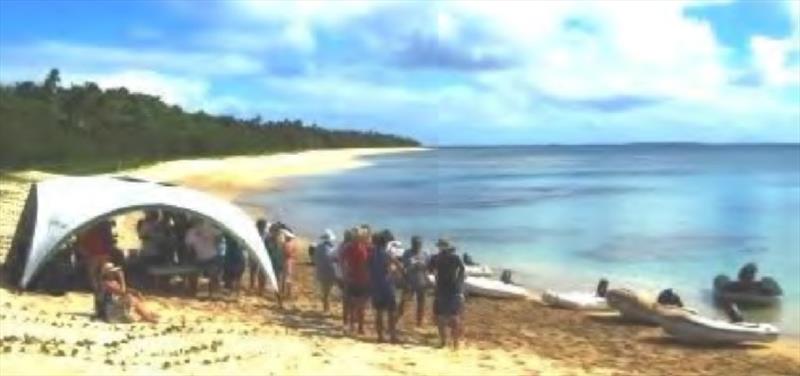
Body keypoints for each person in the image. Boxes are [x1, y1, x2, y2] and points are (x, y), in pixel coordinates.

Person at [430, 238, 466, 350]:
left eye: (442, 246)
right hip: (448, 288)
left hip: (447, 289)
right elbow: (462, 269)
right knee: (449, 316)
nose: (442, 248)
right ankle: (451, 343)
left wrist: (459, 282)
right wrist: (459, 282)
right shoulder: (450, 257)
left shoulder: (438, 258)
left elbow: (430, 270)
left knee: (448, 316)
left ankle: (448, 342)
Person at [369, 230, 401, 343]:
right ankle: (392, 336)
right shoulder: (386, 254)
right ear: (385, 242)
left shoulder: (371, 253)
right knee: (391, 312)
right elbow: (396, 266)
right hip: (387, 286)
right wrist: (397, 272)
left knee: (379, 312)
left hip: (375, 286)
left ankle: (380, 337)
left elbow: (368, 267)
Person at [342, 226, 372, 335]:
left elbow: (342, 260)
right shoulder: (363, 249)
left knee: (352, 305)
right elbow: (366, 264)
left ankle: (352, 326)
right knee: (361, 306)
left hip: (352, 278)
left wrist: (345, 273)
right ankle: (359, 327)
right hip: (362, 279)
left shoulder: (349, 247)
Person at [185, 220, 223, 297]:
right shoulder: (191, 233)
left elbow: (219, 235)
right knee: (193, 275)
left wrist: (207, 234)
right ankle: (193, 291)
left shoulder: (209, 229)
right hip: (199, 258)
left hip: (212, 256)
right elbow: (189, 247)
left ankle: (213, 294)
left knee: (213, 275)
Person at [398, 235, 429, 327]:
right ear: (412, 244)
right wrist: (405, 277)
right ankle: (397, 319)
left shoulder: (425, 254)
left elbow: (427, 268)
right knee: (403, 302)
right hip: (410, 281)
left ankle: (419, 322)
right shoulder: (407, 253)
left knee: (421, 302)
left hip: (421, 281)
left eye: (419, 244)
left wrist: (423, 269)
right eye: (415, 244)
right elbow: (403, 267)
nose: (417, 245)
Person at [77, 220, 114, 292]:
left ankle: (99, 292)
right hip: (102, 252)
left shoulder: (86, 227)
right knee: (101, 275)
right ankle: (103, 292)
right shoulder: (103, 224)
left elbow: (81, 242)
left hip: (93, 254)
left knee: (93, 275)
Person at [313, 229, 338, 312]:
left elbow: (315, 259)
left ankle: (325, 308)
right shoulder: (332, 248)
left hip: (321, 271)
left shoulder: (318, 247)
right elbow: (334, 260)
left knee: (325, 291)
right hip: (331, 272)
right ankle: (327, 308)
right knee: (329, 292)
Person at [250, 219, 269, 294]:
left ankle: (260, 288)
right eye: (263, 226)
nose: (264, 227)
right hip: (255, 253)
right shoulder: (255, 233)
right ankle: (254, 286)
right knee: (254, 271)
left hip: (259, 254)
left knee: (259, 272)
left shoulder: (265, 234)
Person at [280, 228, 298, 301]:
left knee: (286, 278)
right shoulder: (292, 244)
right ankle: (288, 293)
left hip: (286, 261)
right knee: (288, 278)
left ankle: (285, 293)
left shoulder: (286, 244)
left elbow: (286, 253)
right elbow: (293, 253)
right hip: (290, 261)